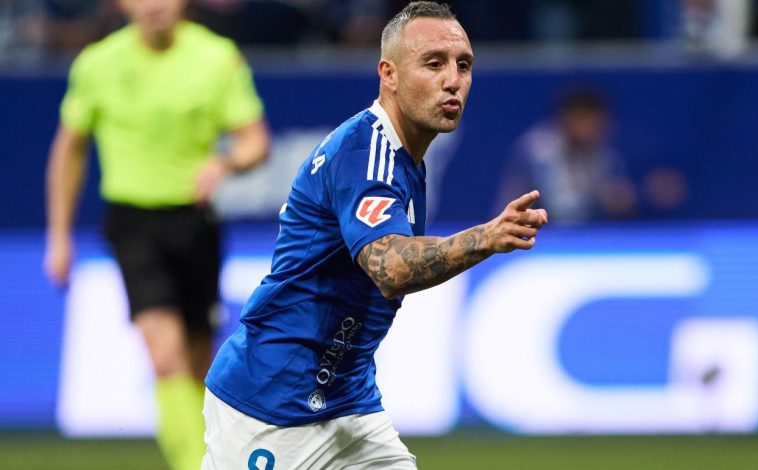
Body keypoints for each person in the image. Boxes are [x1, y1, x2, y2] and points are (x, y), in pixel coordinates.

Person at [203, 2, 547, 469]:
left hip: (347, 401)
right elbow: (391, 267)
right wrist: (486, 237)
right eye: (433, 64)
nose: (453, 80)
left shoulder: (405, 158)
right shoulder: (366, 154)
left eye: (463, 65)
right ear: (389, 74)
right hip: (273, 405)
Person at [42, 1, 270, 469]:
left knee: (200, 363)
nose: (154, 5)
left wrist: (225, 162)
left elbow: (255, 141)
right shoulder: (98, 64)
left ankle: (217, 454)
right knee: (164, 356)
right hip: (133, 224)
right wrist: (59, 237)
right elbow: (69, 150)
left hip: (194, 222)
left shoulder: (216, 56)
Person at [496, 87, 637, 222]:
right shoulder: (539, 151)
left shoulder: (605, 154)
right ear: (567, 118)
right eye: (583, 119)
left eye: (597, 120)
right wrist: (600, 197)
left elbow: (621, 202)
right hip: (531, 231)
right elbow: (563, 211)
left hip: (586, 235)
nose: (591, 126)